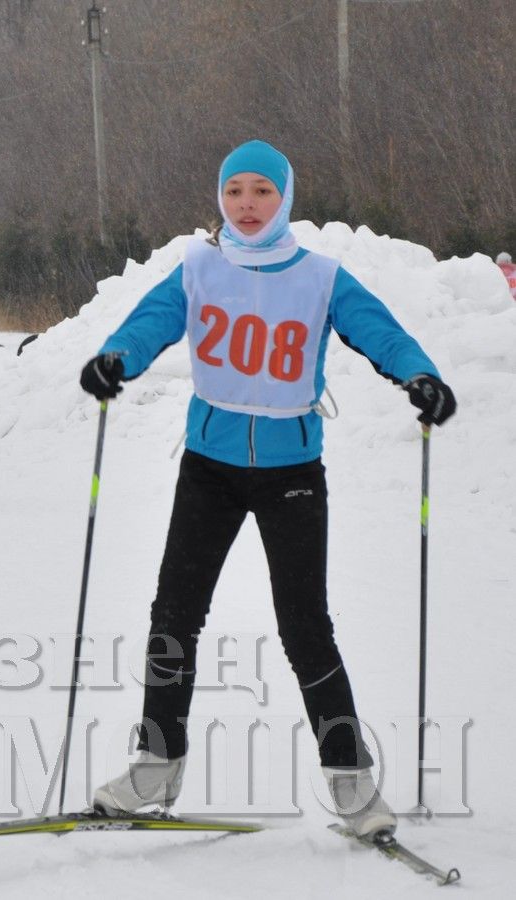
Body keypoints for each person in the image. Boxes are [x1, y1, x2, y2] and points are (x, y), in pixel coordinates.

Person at [80, 140, 457, 840]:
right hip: (208, 467)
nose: (246, 205)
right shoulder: (197, 267)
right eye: (233, 191)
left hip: (290, 473)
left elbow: (378, 330)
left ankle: (352, 786)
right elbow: (150, 322)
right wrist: (114, 359)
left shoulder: (318, 276)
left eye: (260, 191)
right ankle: (154, 767)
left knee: (304, 627)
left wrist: (419, 375)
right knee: (173, 617)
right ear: (218, 198)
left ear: (283, 198)